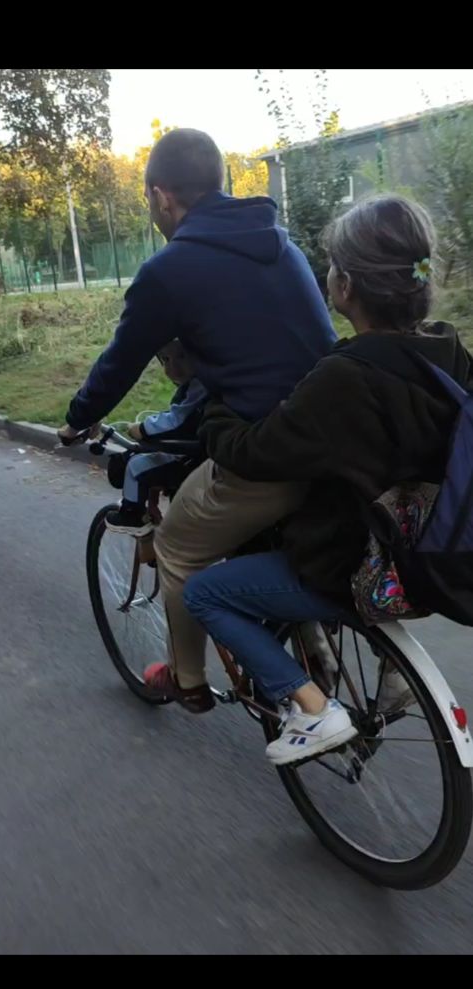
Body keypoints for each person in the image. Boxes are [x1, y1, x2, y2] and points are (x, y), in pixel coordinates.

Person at [184, 194, 473, 764]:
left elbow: (253, 453)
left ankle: (312, 707)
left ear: (345, 285)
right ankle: (384, 668)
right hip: (432, 557)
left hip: (355, 568)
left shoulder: (344, 377)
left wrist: (214, 407)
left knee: (206, 592)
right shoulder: (447, 348)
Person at [59, 128, 336, 713]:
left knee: (179, 548)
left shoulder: (171, 269)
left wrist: (77, 419)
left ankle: (186, 681)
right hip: (336, 437)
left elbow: (120, 363)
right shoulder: (280, 244)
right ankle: (308, 642)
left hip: (268, 450)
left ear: (161, 196)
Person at [105, 339, 206, 539]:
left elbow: (176, 421)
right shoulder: (200, 384)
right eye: (166, 359)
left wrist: (142, 429)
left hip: (191, 457)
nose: (173, 367)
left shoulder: (200, 385)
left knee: (135, 466)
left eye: (182, 356)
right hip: (196, 454)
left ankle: (131, 516)